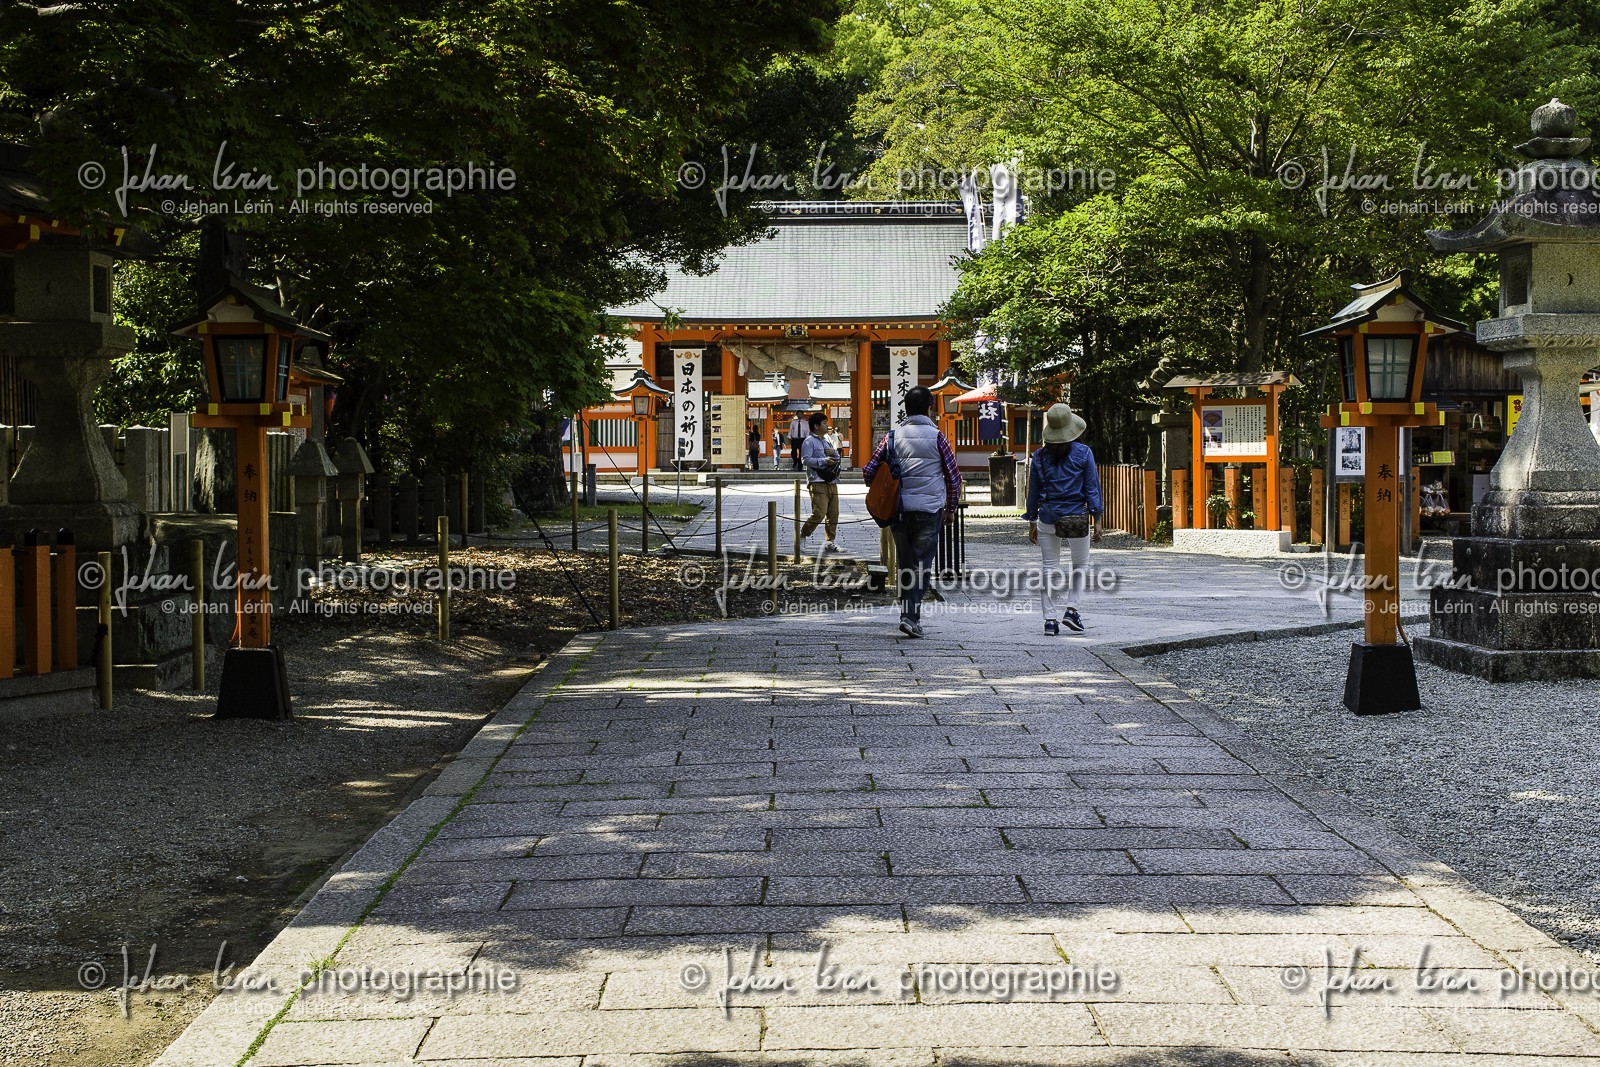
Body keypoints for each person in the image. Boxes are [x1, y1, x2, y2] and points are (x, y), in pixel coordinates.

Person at [861, 386, 962, 638]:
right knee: (922, 565)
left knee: (906, 563)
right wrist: (951, 508)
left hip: (900, 510)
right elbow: (953, 476)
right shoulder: (938, 437)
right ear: (929, 408)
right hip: (929, 510)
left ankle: (907, 613)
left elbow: (868, 471)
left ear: (905, 408)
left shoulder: (892, 437)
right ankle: (910, 616)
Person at [1023, 403, 1103, 635]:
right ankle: (1072, 610)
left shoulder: (1039, 456)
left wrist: (1031, 519)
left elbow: (1034, 491)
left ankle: (1049, 620)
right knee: (1080, 565)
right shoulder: (1084, 453)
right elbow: (1092, 488)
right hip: (1077, 517)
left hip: (1048, 516)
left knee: (1049, 568)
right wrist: (1097, 518)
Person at [799, 412, 843, 552]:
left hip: (831, 480)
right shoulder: (808, 442)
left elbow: (836, 457)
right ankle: (803, 534)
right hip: (817, 481)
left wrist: (834, 454)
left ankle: (830, 542)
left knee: (833, 513)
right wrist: (824, 460)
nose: (827, 425)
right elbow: (805, 460)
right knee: (819, 513)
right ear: (816, 426)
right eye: (824, 423)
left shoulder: (827, 440)